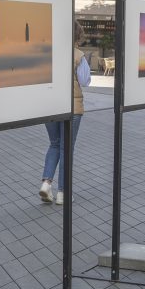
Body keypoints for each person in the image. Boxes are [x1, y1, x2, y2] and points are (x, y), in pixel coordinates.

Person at [39, 21, 90, 205]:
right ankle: (63, 193)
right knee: (66, 148)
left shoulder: (47, 52)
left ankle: (46, 183)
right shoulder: (78, 55)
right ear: (77, 35)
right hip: (72, 108)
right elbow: (85, 81)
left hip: (49, 106)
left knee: (54, 144)